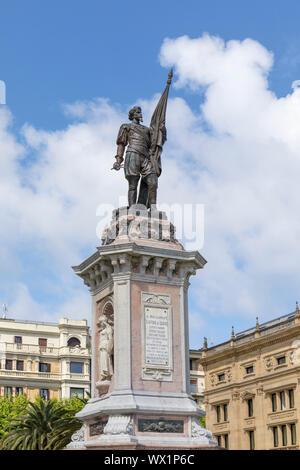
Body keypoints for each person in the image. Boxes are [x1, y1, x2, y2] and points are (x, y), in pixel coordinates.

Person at [112, 106, 158, 208]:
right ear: (132, 115)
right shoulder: (126, 127)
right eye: (137, 112)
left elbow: (153, 144)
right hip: (133, 154)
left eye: (140, 112)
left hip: (145, 157)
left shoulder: (147, 130)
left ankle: (153, 208)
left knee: (152, 181)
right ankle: (133, 207)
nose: (140, 114)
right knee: (133, 184)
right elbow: (121, 144)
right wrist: (118, 161)